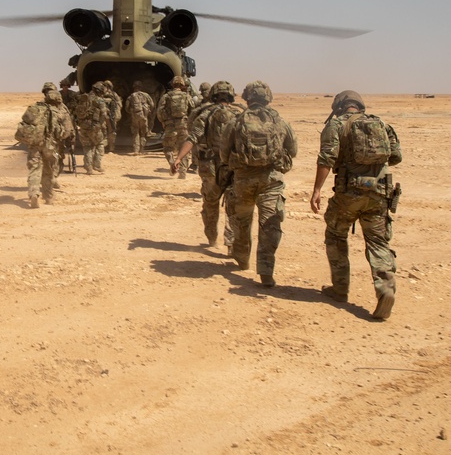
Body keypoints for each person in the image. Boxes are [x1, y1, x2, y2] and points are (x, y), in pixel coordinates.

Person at [310, 90, 402, 320]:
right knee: (378, 242)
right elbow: (396, 156)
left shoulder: (337, 125)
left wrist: (317, 189)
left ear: (339, 106)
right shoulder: (380, 123)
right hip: (380, 193)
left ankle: (340, 289)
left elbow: (326, 159)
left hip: (348, 194)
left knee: (335, 235)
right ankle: (385, 290)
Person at [219, 81, 297, 288]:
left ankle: (243, 259)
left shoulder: (236, 122)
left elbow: (224, 155)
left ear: (247, 98)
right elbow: (293, 149)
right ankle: (266, 272)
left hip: (243, 181)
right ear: (268, 98)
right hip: (271, 182)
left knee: (242, 222)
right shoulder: (280, 122)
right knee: (269, 225)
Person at [172, 81, 243, 248]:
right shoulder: (240, 115)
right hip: (233, 168)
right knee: (233, 204)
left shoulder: (205, 114)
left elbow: (192, 138)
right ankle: (231, 242)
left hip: (209, 167)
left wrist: (179, 158)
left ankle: (212, 239)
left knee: (211, 203)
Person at [16, 82, 74, 208]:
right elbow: (66, 131)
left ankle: (34, 194)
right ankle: (48, 197)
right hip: (50, 145)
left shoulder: (36, 107)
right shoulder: (59, 111)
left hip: (34, 143)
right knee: (48, 170)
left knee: (34, 169)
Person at [156, 75, 195, 178]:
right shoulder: (186, 96)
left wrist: (163, 121)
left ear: (172, 84)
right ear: (182, 85)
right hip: (183, 125)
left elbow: (159, 110)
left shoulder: (166, 96)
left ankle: (173, 164)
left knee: (167, 148)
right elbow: (193, 111)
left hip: (170, 125)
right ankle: (182, 173)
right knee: (183, 149)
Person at [72, 88, 109, 175]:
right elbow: (104, 114)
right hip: (94, 127)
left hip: (83, 127)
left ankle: (88, 168)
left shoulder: (83, 99)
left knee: (87, 147)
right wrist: (100, 124)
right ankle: (96, 165)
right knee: (100, 144)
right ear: (100, 91)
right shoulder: (99, 100)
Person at [124, 81, 155, 154]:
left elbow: (126, 108)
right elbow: (152, 104)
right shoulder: (146, 95)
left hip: (134, 116)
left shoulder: (131, 96)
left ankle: (135, 150)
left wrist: (131, 113)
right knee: (143, 133)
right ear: (141, 87)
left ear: (134, 87)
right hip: (144, 116)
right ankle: (142, 149)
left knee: (135, 133)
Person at [97, 81, 123, 153]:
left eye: (106, 86)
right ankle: (102, 148)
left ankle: (111, 148)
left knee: (112, 133)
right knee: (102, 131)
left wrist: (116, 114)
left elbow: (119, 105)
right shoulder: (100, 94)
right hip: (102, 116)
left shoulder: (114, 95)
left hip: (111, 116)